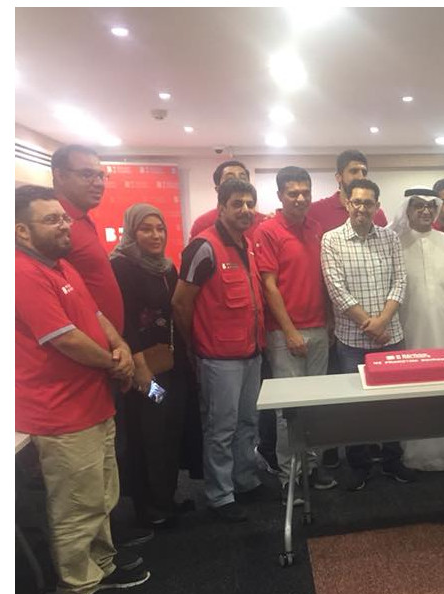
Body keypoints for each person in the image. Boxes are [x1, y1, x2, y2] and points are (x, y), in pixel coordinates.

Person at [15, 185, 148, 594]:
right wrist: (114, 363)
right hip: (61, 411)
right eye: (51, 219)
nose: (63, 225)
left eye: (63, 218)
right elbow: (65, 339)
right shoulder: (21, 273)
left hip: (92, 402)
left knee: (101, 494)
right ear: (21, 231)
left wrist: (120, 347)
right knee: (75, 503)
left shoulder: (61, 266)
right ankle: (76, 591)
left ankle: (101, 565)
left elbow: (95, 316)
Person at [171, 178, 268, 523]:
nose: (245, 210)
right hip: (218, 358)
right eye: (237, 203)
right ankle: (220, 495)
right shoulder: (203, 247)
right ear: (221, 207)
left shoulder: (247, 244)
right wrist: (194, 346)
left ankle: (244, 480)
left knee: (248, 422)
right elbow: (180, 303)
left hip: (251, 353)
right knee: (221, 428)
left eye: (249, 203)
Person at [321, 178, 416, 490]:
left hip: (390, 336)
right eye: (357, 202)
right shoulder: (331, 240)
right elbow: (337, 290)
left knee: (394, 404)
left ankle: (392, 461)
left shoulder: (390, 238)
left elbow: (400, 281)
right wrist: (370, 325)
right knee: (355, 407)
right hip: (352, 341)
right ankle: (359, 465)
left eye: (368, 203)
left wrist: (383, 321)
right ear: (347, 203)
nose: (362, 208)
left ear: (377, 206)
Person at [255, 166, 337, 493]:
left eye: (305, 192)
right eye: (293, 193)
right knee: (289, 409)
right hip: (284, 333)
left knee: (315, 405)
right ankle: (290, 476)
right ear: (280, 196)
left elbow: (323, 279)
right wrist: (289, 331)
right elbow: (269, 286)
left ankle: (312, 468)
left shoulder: (316, 228)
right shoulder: (268, 231)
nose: (301, 198)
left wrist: (329, 321)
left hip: (318, 329)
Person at [110, 204, 191, 529]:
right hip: (146, 369)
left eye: (160, 228)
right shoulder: (121, 267)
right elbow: (125, 321)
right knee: (150, 433)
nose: (155, 235)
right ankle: (149, 507)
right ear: (131, 232)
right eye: (146, 229)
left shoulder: (166, 268)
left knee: (170, 428)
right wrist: (141, 368)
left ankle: (167, 497)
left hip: (171, 364)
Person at [392, 186, 444, 470]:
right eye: (418, 206)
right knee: (413, 391)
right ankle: (414, 456)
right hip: (409, 330)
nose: (425, 211)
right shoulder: (396, 242)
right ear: (408, 209)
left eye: (430, 206)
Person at [51, 144, 125, 335]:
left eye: (100, 176)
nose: (99, 183)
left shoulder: (81, 218)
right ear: (60, 175)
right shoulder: (52, 225)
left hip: (108, 340)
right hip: (86, 343)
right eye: (87, 175)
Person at [308, 149, 389, 232]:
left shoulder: (377, 214)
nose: (361, 177)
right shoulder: (315, 211)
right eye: (354, 171)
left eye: (364, 173)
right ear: (339, 177)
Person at [188, 160, 270, 238]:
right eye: (230, 179)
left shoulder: (264, 222)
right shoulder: (203, 223)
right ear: (218, 189)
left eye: (243, 179)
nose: (237, 182)